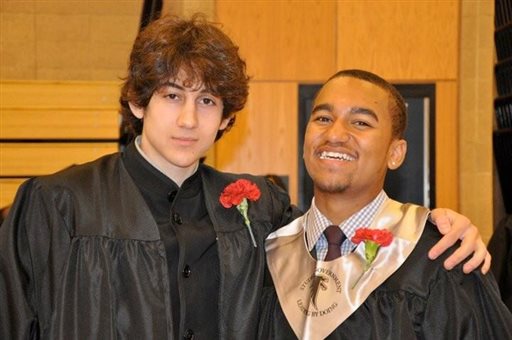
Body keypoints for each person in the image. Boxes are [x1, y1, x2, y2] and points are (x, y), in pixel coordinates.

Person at [0, 15, 490, 340]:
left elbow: (340, 229)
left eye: (207, 101)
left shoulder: (259, 210)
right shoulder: (56, 205)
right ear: (137, 102)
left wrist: (437, 222)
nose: (189, 120)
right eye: (172, 96)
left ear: (227, 118)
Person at [259, 69, 512, 339]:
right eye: (323, 118)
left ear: (395, 153)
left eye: (360, 123)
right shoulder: (266, 252)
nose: (334, 134)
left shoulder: (440, 258)